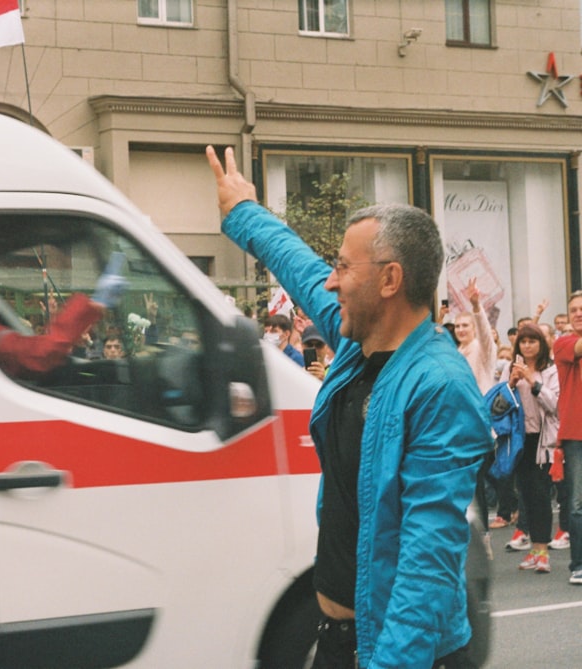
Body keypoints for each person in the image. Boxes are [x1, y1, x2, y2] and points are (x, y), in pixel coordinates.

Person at [207, 145, 491, 669]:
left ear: (390, 280)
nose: (331, 279)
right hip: (339, 637)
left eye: (343, 265)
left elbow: (426, 563)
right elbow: (299, 266)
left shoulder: (440, 386)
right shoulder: (356, 343)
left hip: (402, 650)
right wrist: (243, 210)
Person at [500, 322, 560, 573]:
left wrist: (531, 381)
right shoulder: (509, 367)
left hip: (542, 440)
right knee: (525, 494)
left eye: (532, 341)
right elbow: (500, 402)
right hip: (519, 439)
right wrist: (511, 384)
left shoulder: (550, 370)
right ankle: (534, 549)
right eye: (523, 342)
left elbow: (554, 404)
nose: (527, 345)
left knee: (540, 495)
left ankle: (542, 550)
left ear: (541, 344)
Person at [554, 290, 582, 584]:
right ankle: (578, 564)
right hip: (577, 434)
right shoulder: (563, 343)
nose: (578, 313)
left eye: (581, 308)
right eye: (573, 309)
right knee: (577, 503)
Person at [453, 278, 497, 395]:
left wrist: (476, 306)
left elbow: (485, 333)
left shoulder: (482, 349)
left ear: (474, 328)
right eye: (457, 326)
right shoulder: (456, 352)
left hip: (481, 404)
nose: (460, 330)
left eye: (465, 325)